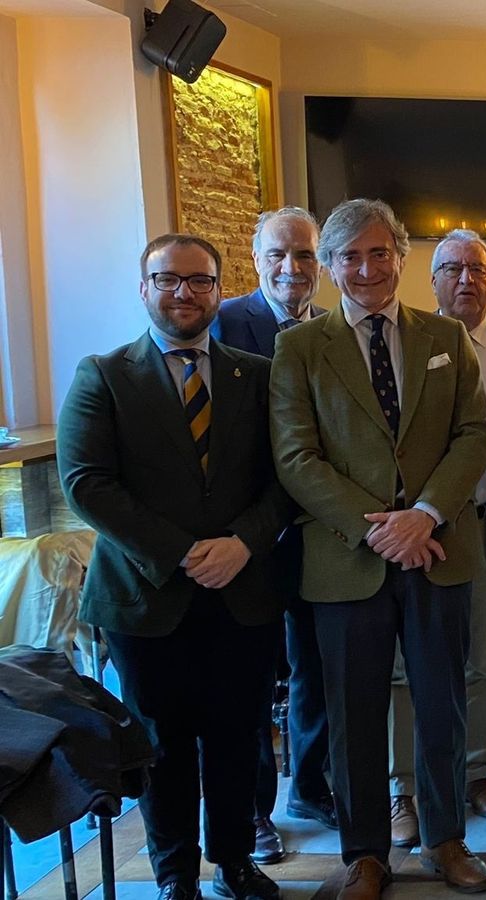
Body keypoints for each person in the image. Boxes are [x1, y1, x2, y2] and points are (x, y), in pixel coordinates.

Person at [270, 199, 486, 899]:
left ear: (401, 258)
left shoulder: (445, 337)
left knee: (443, 705)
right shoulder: (300, 348)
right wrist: (378, 527)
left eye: (379, 253)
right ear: (331, 268)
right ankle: (364, 852)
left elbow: (473, 435)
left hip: (438, 550)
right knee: (352, 712)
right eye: (350, 256)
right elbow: (296, 457)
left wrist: (424, 515)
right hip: (346, 561)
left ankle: (446, 839)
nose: (366, 268)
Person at [59, 234, 292, 900]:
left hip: (242, 593)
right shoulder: (103, 374)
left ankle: (236, 861)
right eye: (168, 280)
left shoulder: (257, 374)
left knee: (237, 736)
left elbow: (285, 479)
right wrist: (183, 552)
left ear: (220, 289)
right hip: (145, 598)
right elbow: (87, 483)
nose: (184, 293)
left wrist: (243, 543)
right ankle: (175, 875)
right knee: (160, 745)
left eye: (200, 280)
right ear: (145, 289)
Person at [384, 229, 486, 846]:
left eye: (478, 269)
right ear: (431, 281)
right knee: (407, 665)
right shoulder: (407, 341)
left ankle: (475, 773)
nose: (466, 280)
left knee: (482, 660)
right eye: (451, 268)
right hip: (421, 533)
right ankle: (404, 789)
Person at [212, 206, 338, 865]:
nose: (293, 268)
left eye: (306, 256)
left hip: (315, 530)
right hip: (248, 535)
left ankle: (309, 787)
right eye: (279, 254)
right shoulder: (226, 322)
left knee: (315, 666)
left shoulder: (331, 329)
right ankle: (254, 811)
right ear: (256, 258)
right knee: (255, 677)